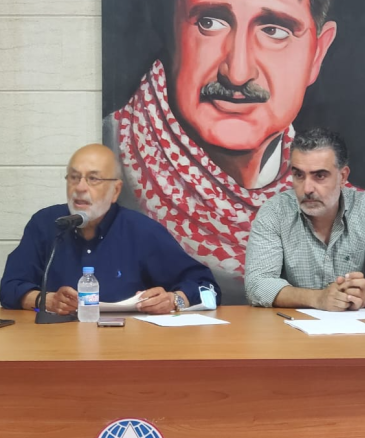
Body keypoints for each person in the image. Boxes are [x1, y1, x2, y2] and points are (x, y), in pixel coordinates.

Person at [103, 0, 338, 300]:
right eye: (209, 23)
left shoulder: (343, 204)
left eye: (274, 31)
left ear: (317, 54)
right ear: (170, 34)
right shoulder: (108, 167)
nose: (237, 73)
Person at [0, 143, 219, 315]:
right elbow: (9, 289)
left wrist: (175, 300)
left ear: (115, 191)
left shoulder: (142, 231)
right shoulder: (46, 224)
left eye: (93, 179)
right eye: (74, 177)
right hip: (57, 344)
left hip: (127, 346)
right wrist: (45, 300)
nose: (80, 188)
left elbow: (208, 288)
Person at [244, 128, 365, 310]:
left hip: (354, 323)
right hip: (291, 325)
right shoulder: (275, 211)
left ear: (343, 176)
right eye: (299, 175)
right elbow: (257, 284)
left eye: (320, 176)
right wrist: (318, 298)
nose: (307, 188)